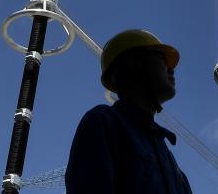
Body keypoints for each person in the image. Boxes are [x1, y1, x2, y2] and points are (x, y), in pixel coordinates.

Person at [65, 29, 193, 194]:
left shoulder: (171, 164)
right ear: (134, 64)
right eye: (161, 58)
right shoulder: (103, 123)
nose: (171, 69)